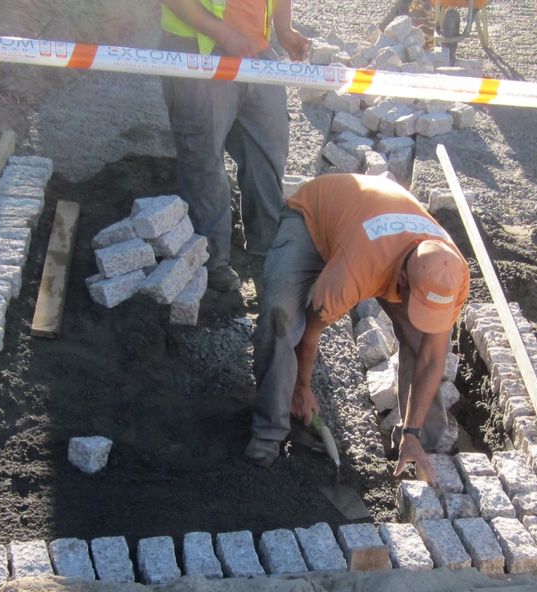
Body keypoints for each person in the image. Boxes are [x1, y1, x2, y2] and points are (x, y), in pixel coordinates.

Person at [245, 174, 471, 486]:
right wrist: (302, 387)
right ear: (402, 281)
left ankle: (421, 446)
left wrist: (412, 432)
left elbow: (433, 359)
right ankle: (269, 431)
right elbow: (311, 332)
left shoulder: (451, 273)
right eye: (418, 303)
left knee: (423, 343)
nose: (423, 315)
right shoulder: (355, 270)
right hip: (315, 218)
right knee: (280, 315)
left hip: (375, 220)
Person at [160, 0, 309, 292]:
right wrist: (224, 34)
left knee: (267, 150)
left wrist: (284, 28)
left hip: (255, 51)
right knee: (203, 157)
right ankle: (210, 260)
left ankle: (266, 245)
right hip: (199, 49)